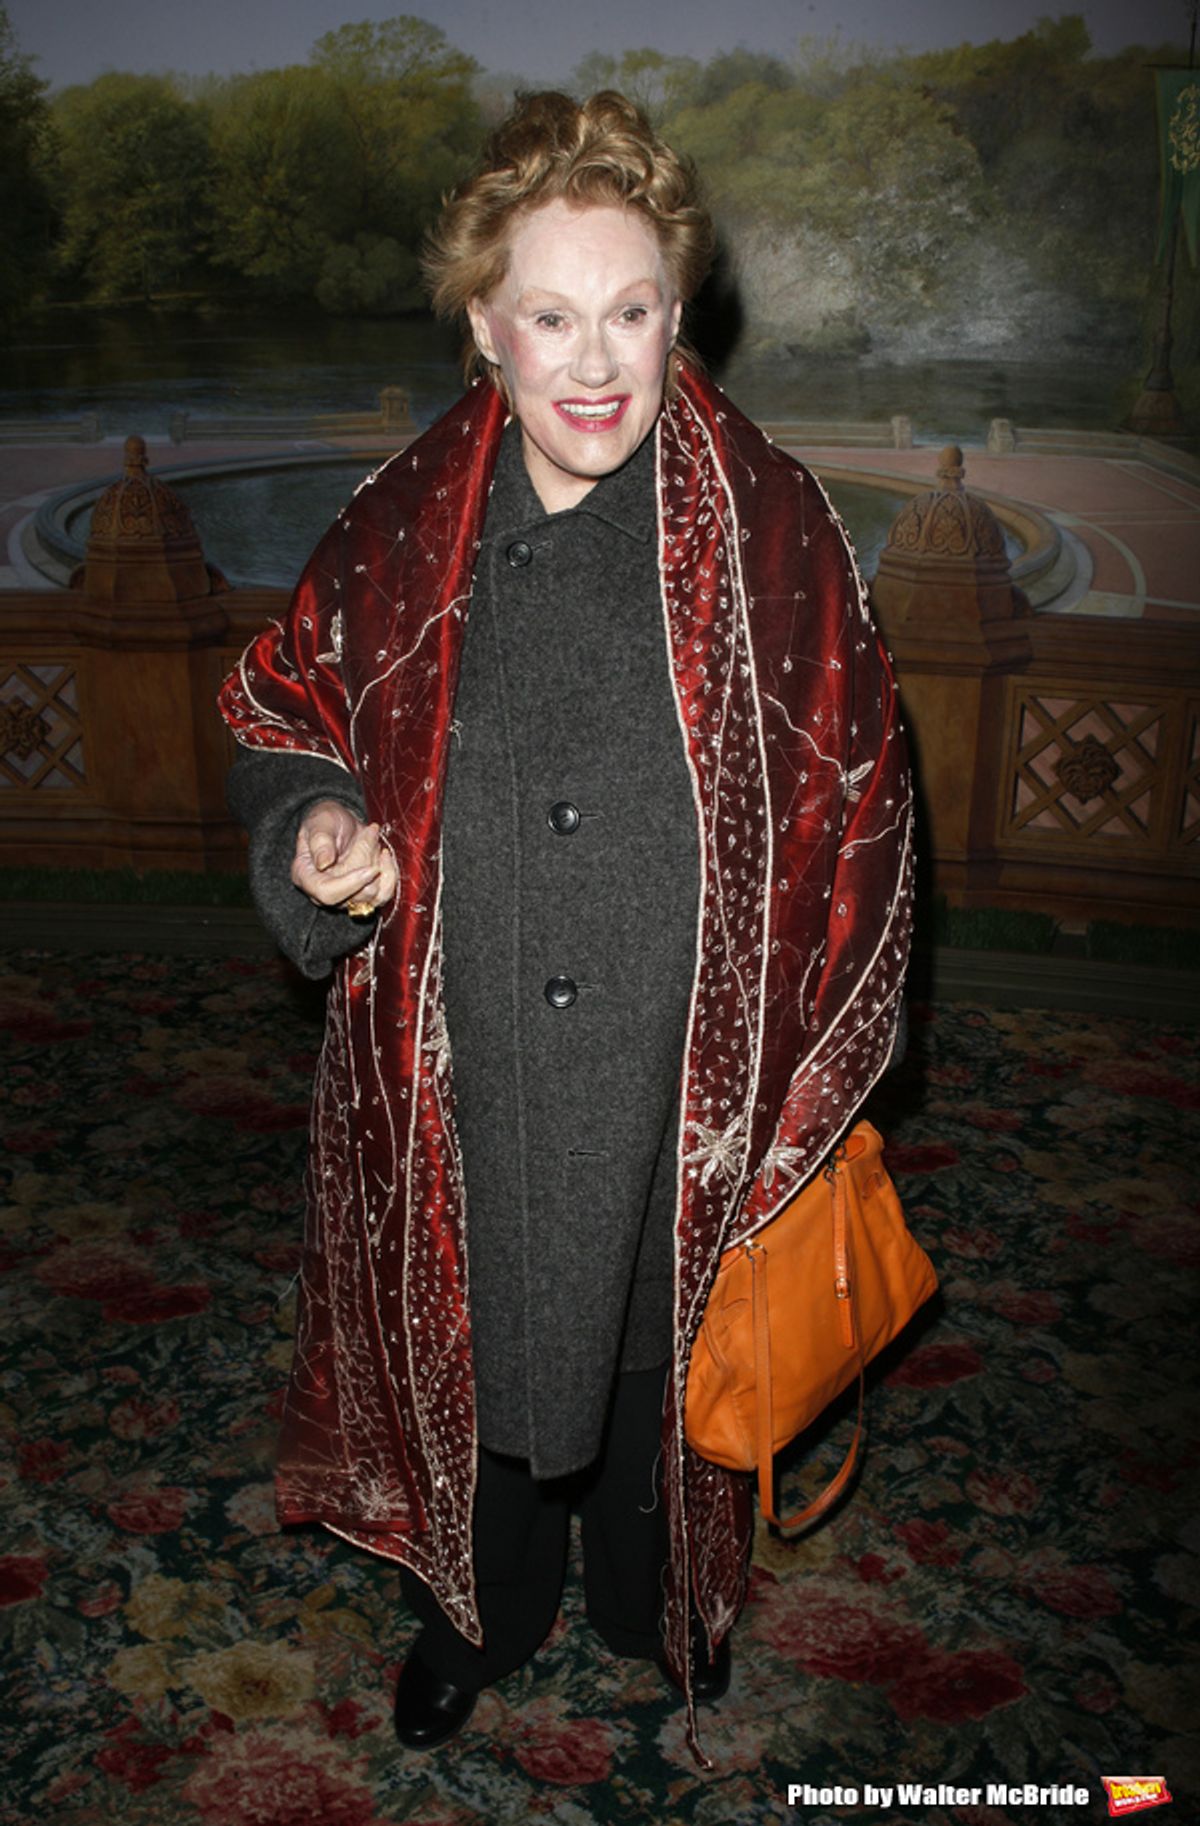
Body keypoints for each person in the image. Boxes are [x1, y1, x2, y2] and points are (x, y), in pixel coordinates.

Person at [219, 89, 913, 1759]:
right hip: (458, 1069)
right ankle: (477, 1608)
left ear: (681, 314)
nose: (594, 362)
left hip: (683, 1073)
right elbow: (279, 703)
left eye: (631, 310)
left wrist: (799, 1088)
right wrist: (310, 825)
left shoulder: (781, 535)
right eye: (550, 313)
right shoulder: (395, 532)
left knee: (640, 1359)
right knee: (491, 1332)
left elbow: (865, 797)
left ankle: (650, 1600)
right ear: (485, 325)